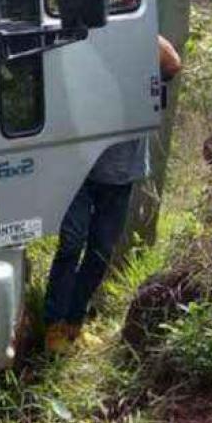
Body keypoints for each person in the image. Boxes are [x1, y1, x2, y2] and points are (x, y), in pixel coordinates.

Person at [43, 34, 182, 353]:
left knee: (100, 252)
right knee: (71, 244)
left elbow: (173, 62)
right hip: (80, 172)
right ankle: (53, 325)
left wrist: (142, 27)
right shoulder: (88, 56)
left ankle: (74, 324)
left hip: (120, 176)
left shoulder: (147, 65)